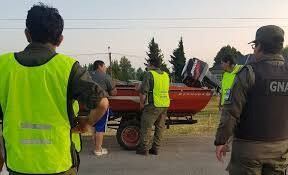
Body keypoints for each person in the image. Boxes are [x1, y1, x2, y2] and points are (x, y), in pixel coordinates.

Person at [0, 3, 109, 175]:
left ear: (27, 34)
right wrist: (86, 123)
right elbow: (102, 103)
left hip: (18, 164)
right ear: (60, 39)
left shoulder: (3, 65)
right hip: (58, 164)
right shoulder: (67, 67)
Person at [215, 25, 288, 175]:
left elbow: (231, 113)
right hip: (280, 147)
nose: (254, 50)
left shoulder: (248, 73)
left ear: (260, 46)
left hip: (249, 149)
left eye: (255, 46)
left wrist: (221, 141)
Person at [136, 58, 170, 155]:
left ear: (151, 65)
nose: (147, 66)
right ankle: (155, 149)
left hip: (154, 105)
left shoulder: (149, 74)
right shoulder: (166, 75)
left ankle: (143, 149)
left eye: (148, 64)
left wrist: (141, 104)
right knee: (159, 127)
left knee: (146, 127)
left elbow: (143, 92)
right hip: (164, 104)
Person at [90, 60, 117, 156]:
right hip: (101, 103)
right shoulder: (105, 76)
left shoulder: (88, 75)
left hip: (89, 104)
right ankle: (98, 150)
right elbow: (114, 92)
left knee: (93, 126)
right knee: (100, 127)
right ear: (100, 66)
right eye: (104, 66)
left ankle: (97, 146)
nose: (105, 68)